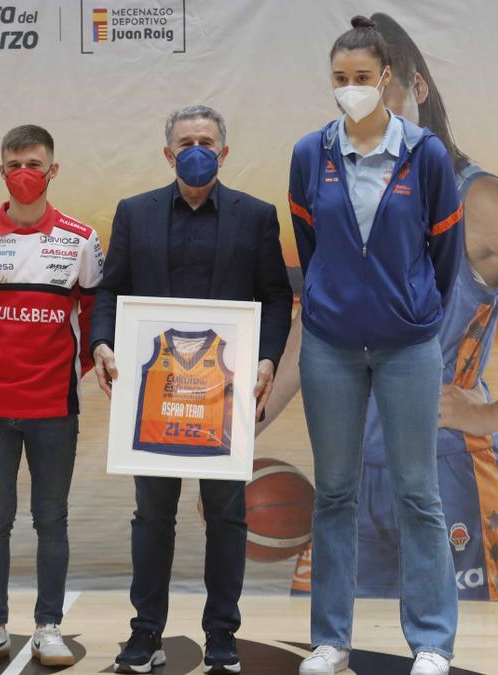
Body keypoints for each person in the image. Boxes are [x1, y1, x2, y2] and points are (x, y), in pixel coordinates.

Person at [265, 10, 498, 606]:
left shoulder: (476, 196)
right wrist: (233, 427)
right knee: (328, 648)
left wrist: (492, 414)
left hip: (443, 468)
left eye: (378, 85)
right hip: (346, 472)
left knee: (458, 655)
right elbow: (315, 324)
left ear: (416, 89)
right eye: (348, 87)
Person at [288, 16, 465, 675]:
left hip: (408, 348)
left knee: (419, 490)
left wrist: (408, 310)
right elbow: (312, 250)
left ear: (387, 79)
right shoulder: (310, 155)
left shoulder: (427, 156)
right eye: (340, 80)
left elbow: (443, 257)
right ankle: (331, 639)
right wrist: (342, 301)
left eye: (362, 78)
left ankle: (431, 642)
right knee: (335, 491)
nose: (351, 89)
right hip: (330, 346)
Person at [91, 105, 292, 675]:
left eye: (206, 141)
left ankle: (221, 634)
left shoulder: (256, 216)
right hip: (155, 394)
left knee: (226, 516)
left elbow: (276, 296)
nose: (196, 149)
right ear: (168, 152)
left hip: (223, 398)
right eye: (186, 142)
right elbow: (111, 290)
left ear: (223, 153)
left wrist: (269, 358)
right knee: (153, 516)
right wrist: (102, 343)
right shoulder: (136, 213)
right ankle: (145, 632)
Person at [0, 125, 104, 668]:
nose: (23, 173)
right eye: (13, 164)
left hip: (55, 408)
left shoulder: (82, 240)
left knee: (51, 520)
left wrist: (68, 370)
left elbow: (92, 316)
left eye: (33, 163)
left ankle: (49, 628)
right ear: (1, 171)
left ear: (53, 170)